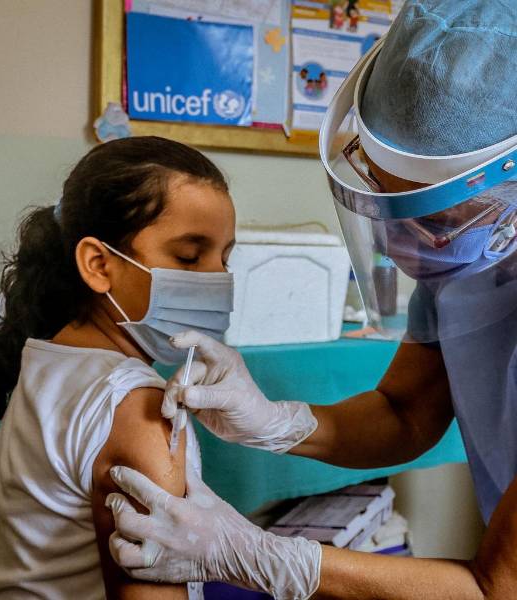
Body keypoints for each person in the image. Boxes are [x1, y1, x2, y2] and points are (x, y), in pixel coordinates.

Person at [106, 2, 517, 598]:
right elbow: (405, 414)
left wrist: (257, 556)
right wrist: (276, 422)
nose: (400, 242)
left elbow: (497, 587)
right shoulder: (465, 261)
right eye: (380, 195)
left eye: (436, 220)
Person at [0, 136, 236, 599]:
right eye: (189, 257)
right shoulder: (139, 410)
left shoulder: (51, 351)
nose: (218, 280)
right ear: (98, 264)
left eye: (226, 257)